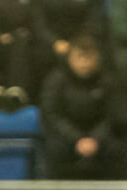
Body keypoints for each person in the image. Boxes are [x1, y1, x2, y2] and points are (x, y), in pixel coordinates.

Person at [40, 35, 127, 179]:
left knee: (118, 148)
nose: (84, 63)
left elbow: (113, 115)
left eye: (89, 57)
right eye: (80, 57)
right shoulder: (56, 81)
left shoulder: (107, 81)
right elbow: (52, 115)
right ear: (69, 58)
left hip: (101, 138)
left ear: (97, 58)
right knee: (55, 149)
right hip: (66, 138)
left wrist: (95, 139)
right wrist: (77, 139)